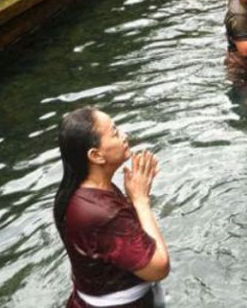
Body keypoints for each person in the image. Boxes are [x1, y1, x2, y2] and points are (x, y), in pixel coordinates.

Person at [54, 107, 170, 308]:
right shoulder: (100, 212)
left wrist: (133, 198)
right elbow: (159, 267)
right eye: (115, 132)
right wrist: (141, 201)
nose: (125, 135)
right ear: (96, 155)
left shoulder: (81, 192)